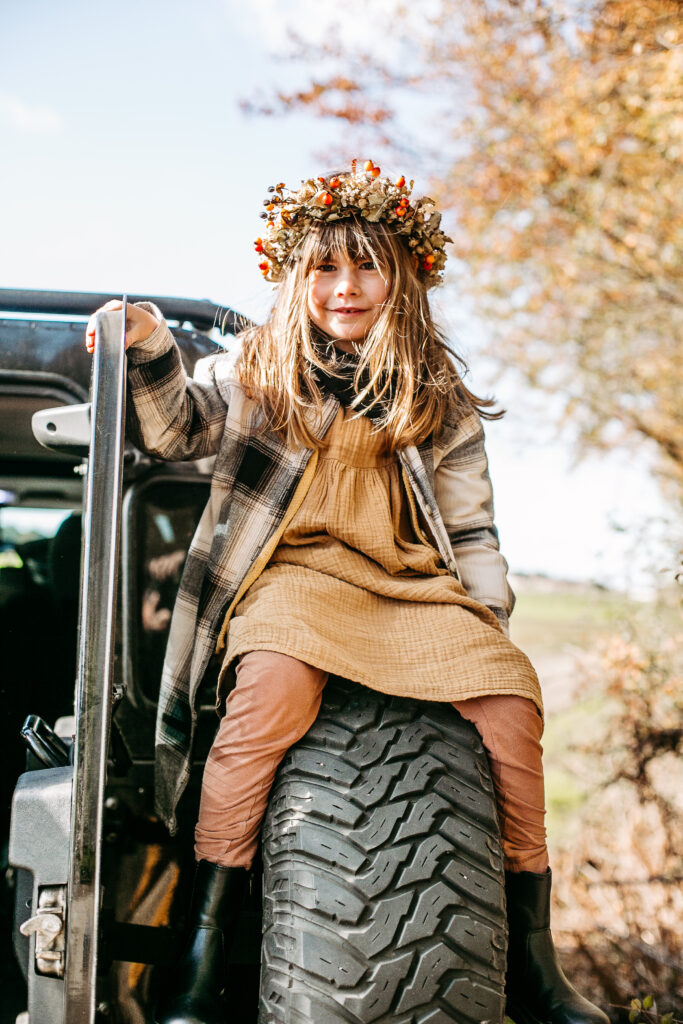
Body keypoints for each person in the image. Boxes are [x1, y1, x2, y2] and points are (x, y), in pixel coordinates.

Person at [87, 160, 609, 1024]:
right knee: (267, 698)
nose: (345, 286)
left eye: (367, 265)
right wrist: (148, 345)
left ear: (401, 280)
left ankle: (533, 963)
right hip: (290, 578)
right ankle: (203, 948)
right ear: (296, 277)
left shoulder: (434, 393)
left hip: (409, 580)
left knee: (511, 705)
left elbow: (471, 530)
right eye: (324, 267)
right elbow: (176, 429)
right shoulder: (254, 369)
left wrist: (490, 625)